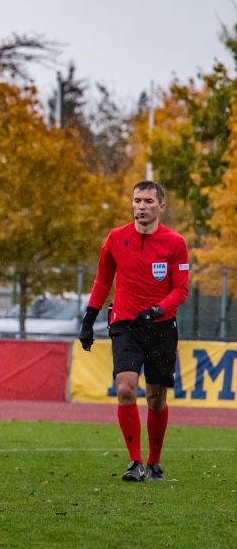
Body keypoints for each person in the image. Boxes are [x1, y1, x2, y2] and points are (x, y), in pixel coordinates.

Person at [79, 181, 189, 483]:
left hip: (161, 327)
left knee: (156, 397)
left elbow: (181, 289)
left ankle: (154, 463)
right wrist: (89, 320)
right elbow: (103, 280)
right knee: (126, 388)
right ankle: (135, 462)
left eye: (148, 201)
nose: (141, 206)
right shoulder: (116, 238)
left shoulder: (175, 243)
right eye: (137, 200)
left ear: (161, 207)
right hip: (124, 324)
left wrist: (156, 311)